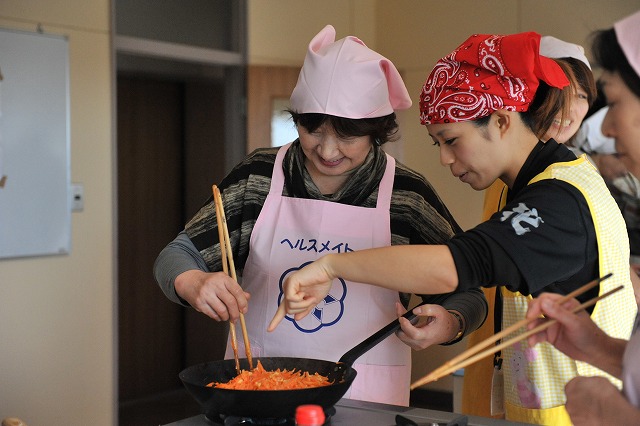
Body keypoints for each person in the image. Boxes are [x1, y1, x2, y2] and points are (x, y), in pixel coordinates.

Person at [269, 31, 638, 425]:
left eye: (452, 140)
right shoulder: (540, 181)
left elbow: (456, 264)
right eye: (437, 144)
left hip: (584, 412)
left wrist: (331, 266)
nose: (445, 158)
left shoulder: (558, 197)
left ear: (501, 121)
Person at [153, 24, 488, 406]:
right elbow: (175, 256)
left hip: (367, 397)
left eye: (347, 136)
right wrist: (193, 281)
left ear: (377, 131)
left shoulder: (406, 195)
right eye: (312, 129)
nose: (327, 151)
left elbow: (469, 292)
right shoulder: (258, 176)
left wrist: (450, 323)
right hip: (260, 388)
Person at [461, 35, 599, 418]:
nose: (568, 108)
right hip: (500, 340)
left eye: (581, 96)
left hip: (555, 362)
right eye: (556, 91)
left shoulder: (575, 177)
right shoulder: (507, 170)